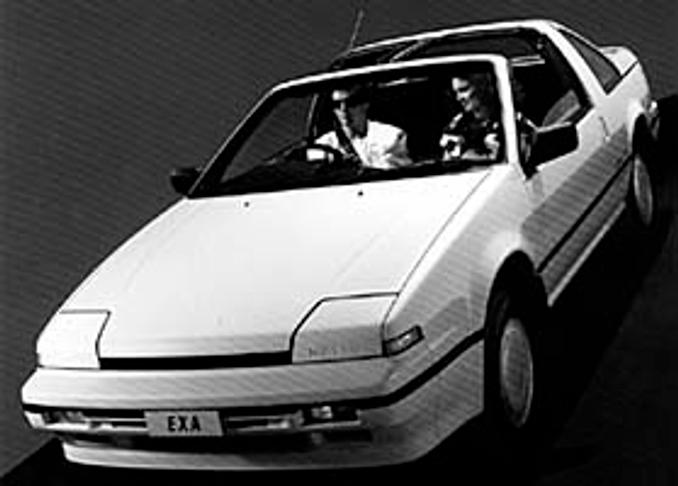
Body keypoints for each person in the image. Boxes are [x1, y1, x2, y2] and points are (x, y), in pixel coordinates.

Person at [316, 85, 411, 169]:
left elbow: (400, 174)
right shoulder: (324, 145)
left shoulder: (392, 136)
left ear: (365, 104)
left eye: (350, 103)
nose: (343, 109)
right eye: (337, 105)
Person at [439, 72, 502, 161]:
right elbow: (447, 161)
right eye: (456, 92)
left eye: (464, 90)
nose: (459, 98)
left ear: (482, 87)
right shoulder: (457, 126)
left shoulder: (509, 121)